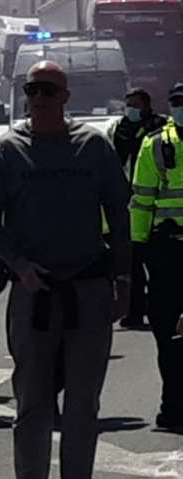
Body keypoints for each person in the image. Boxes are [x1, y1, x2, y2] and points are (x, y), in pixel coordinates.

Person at [0, 61, 130, 479]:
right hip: (34, 292)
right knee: (32, 397)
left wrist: (124, 282)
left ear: (65, 95)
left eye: (47, 90)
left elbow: (119, 218)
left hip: (88, 288)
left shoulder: (93, 147)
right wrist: (18, 267)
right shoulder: (7, 150)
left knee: (84, 397)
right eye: (31, 89)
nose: (38, 97)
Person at [131, 82, 183, 432]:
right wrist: (137, 249)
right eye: (177, 102)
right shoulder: (156, 144)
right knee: (167, 333)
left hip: (166, 251)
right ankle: (174, 405)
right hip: (167, 251)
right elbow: (141, 199)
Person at [107, 87, 166, 330]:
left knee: (158, 265)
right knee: (131, 265)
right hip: (127, 203)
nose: (130, 109)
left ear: (146, 105)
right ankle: (134, 311)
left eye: (135, 104)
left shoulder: (160, 127)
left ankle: (158, 309)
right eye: (128, 104)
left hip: (157, 206)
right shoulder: (118, 128)